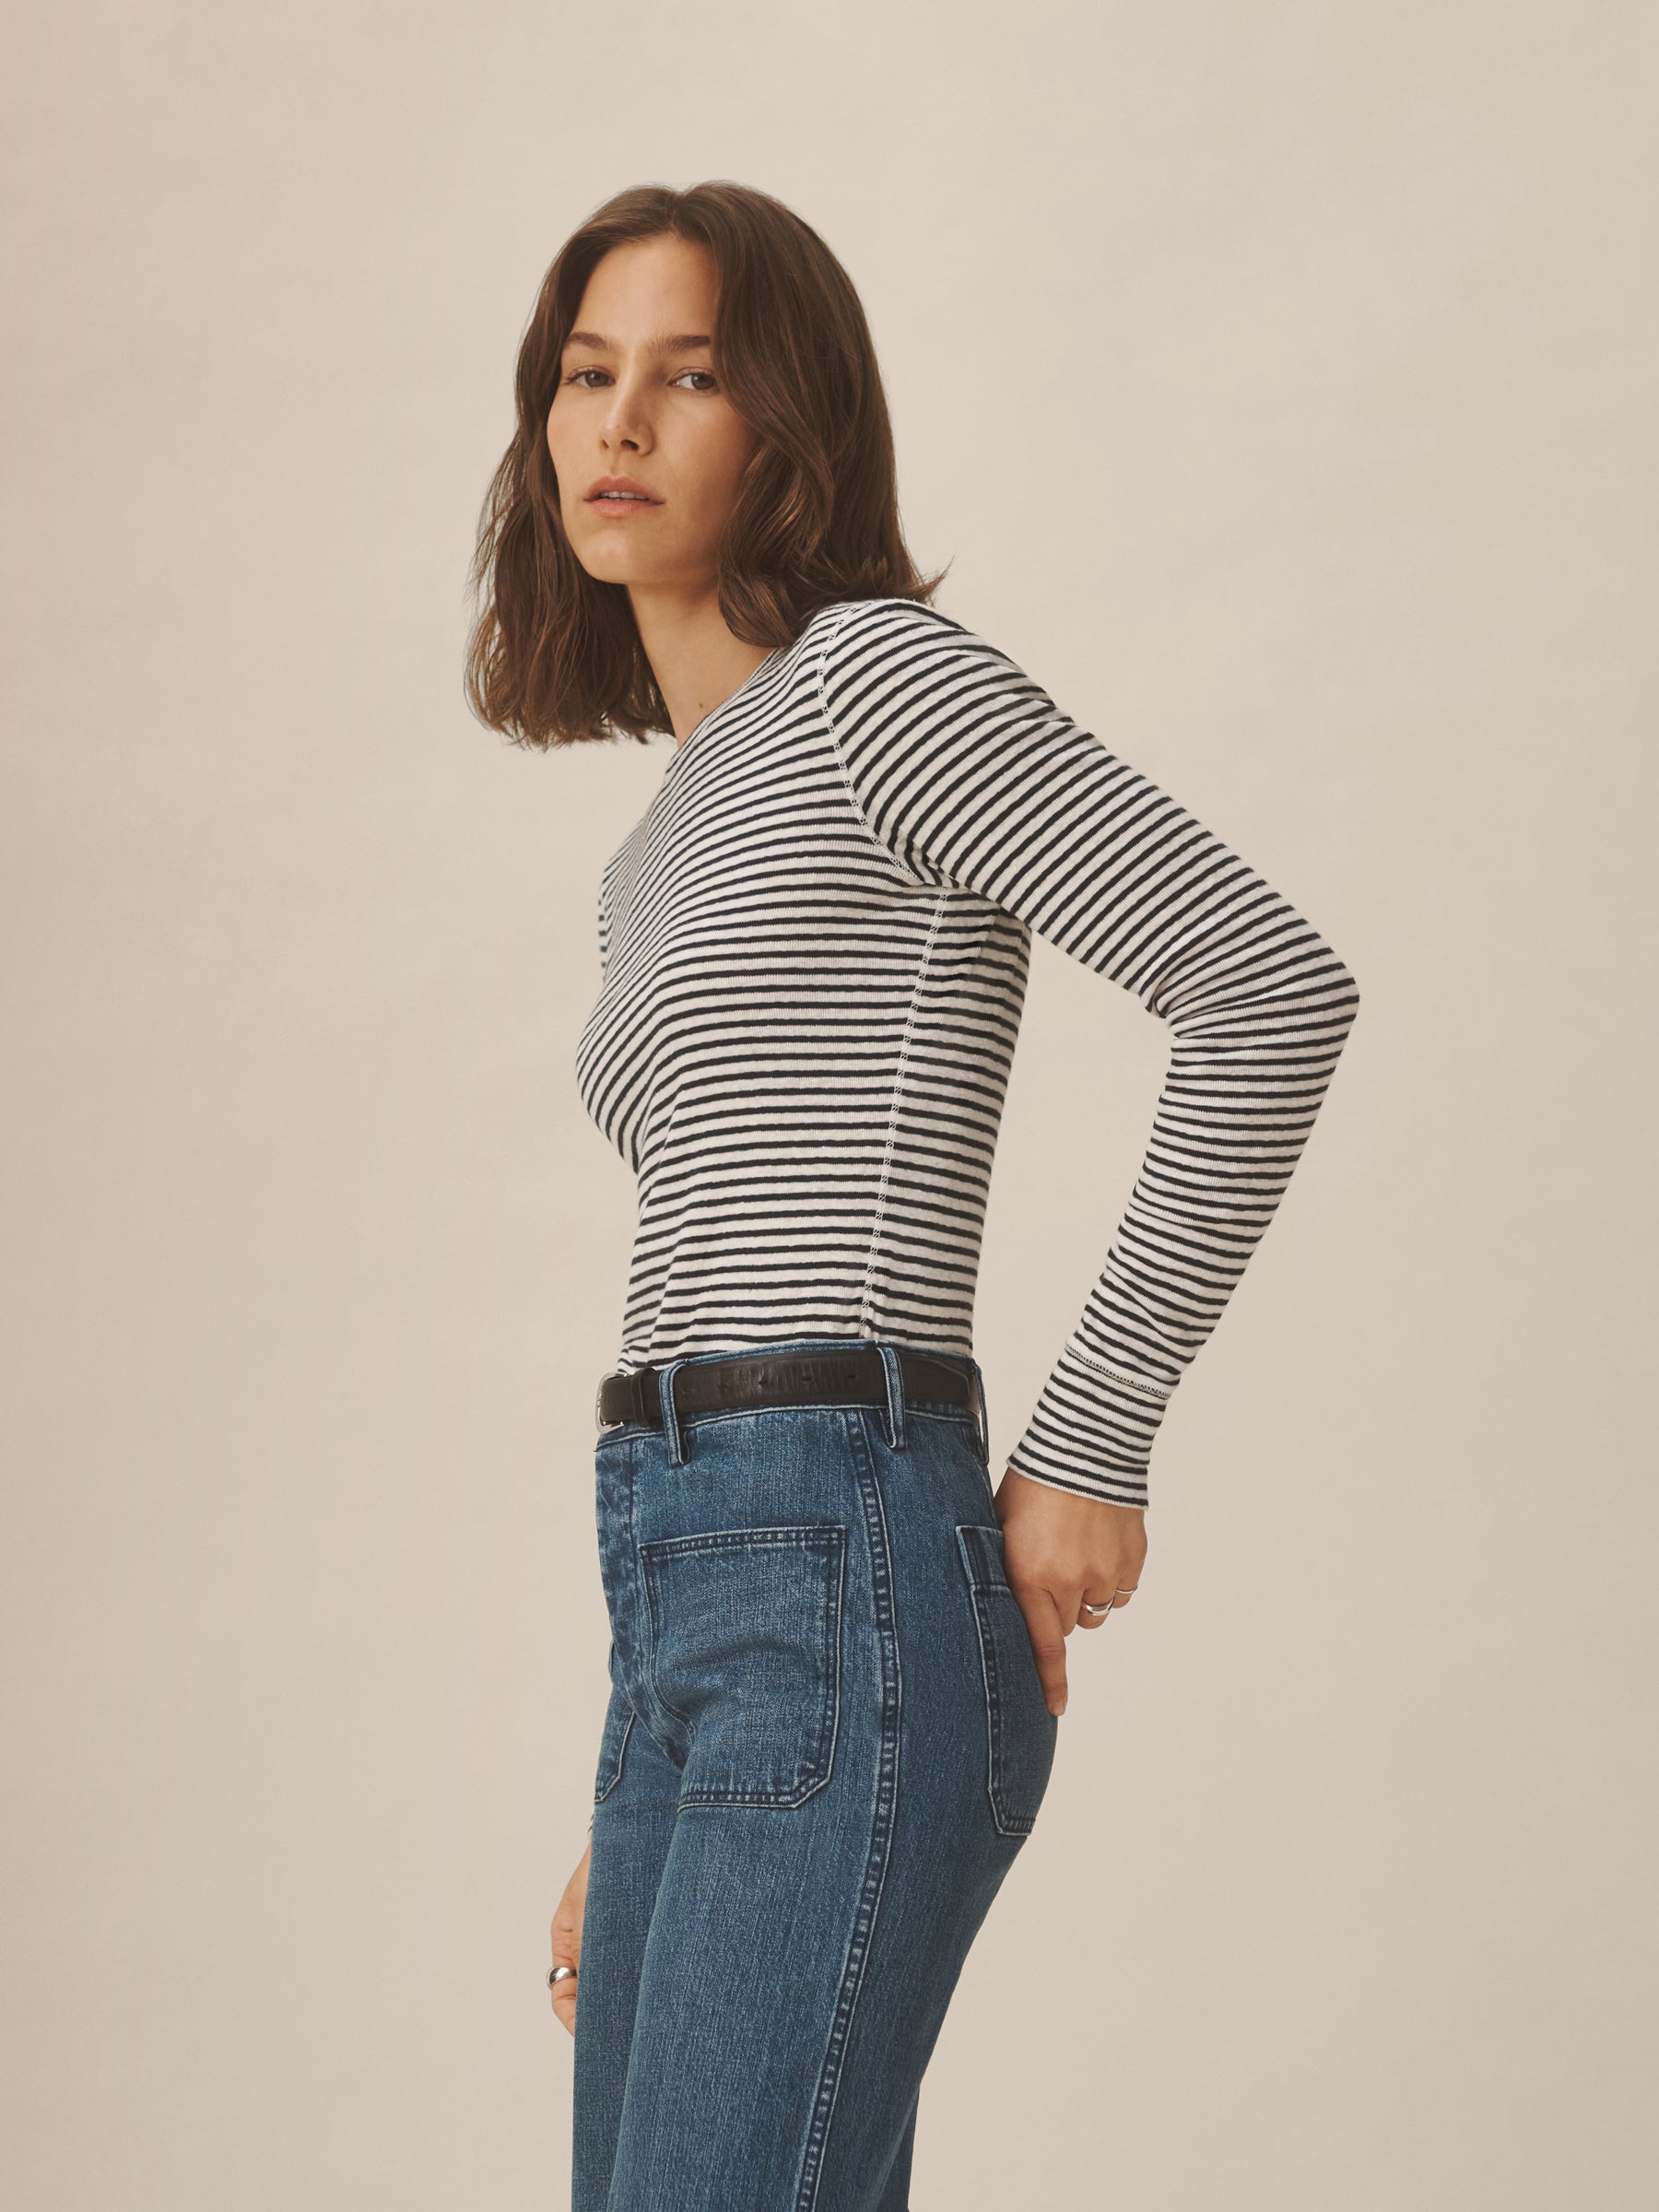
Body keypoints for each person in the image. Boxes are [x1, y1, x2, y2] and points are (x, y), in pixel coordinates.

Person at [466, 180, 1360, 2211]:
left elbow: (1265, 987)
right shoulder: (662, 833)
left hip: (844, 1539)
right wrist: (654, 1782)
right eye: (585, 376)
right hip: (688, 1580)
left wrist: (1092, 1441)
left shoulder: (874, 683)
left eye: (690, 376)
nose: (620, 423)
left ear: (788, 424)